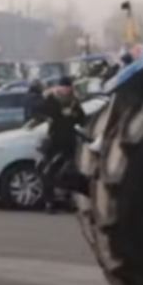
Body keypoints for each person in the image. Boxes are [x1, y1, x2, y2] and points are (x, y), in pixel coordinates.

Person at [35, 76, 87, 212]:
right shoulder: (51, 99)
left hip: (69, 140)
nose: (66, 90)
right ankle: (49, 202)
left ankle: (67, 199)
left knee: (68, 171)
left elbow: (82, 119)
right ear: (58, 88)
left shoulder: (74, 102)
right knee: (49, 171)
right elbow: (40, 112)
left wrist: (73, 115)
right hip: (54, 139)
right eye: (63, 87)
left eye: (68, 87)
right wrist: (58, 115)